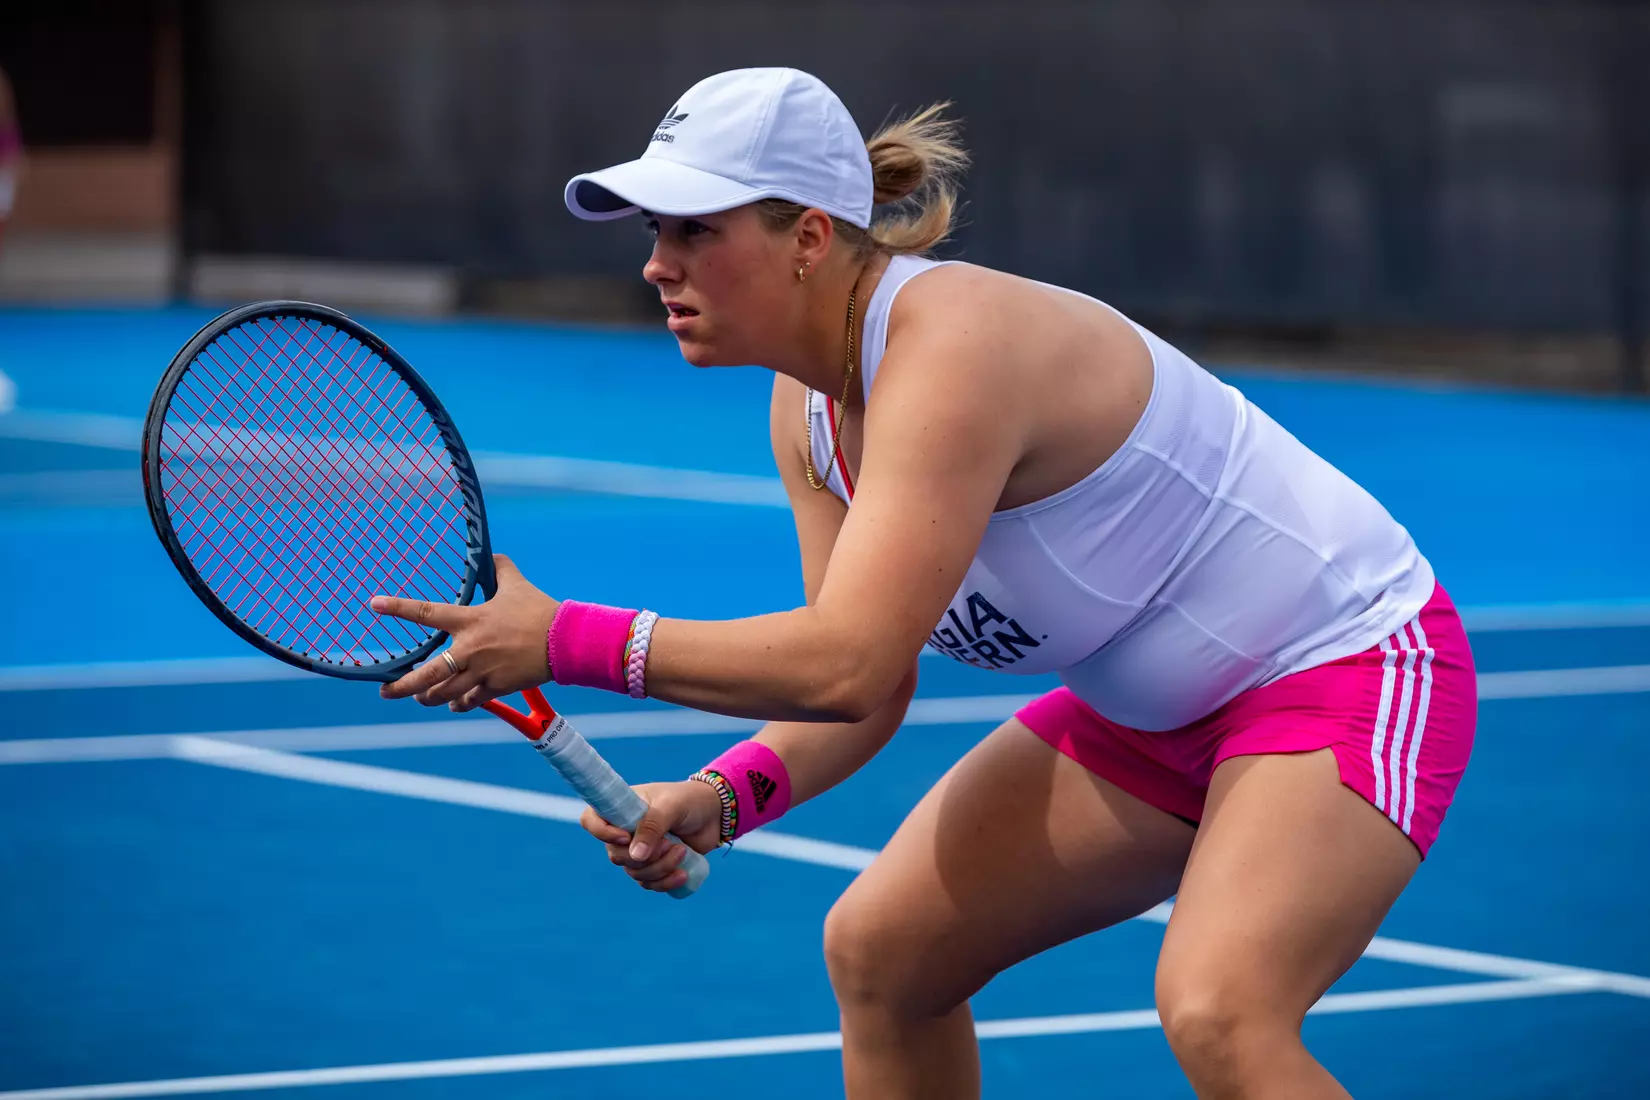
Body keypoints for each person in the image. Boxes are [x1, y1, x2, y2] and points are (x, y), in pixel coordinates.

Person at [370, 68, 1477, 1099]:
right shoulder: (805, 412)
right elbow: (866, 681)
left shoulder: (955, 346)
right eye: (658, 232)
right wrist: (718, 797)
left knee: (1222, 1010)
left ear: (806, 237)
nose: (659, 263)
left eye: (695, 231)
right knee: (882, 954)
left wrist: (565, 637)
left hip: (1345, 666)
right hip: (1151, 720)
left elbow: (843, 661)